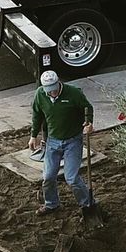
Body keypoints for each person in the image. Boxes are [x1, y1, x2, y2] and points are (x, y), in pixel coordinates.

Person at [29, 70, 94, 217]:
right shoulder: (40, 94)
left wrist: (89, 123)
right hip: (52, 141)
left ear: (58, 83)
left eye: (54, 88)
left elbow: (87, 108)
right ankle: (51, 204)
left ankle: (88, 204)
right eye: (48, 90)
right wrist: (33, 136)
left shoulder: (73, 93)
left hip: (73, 141)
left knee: (71, 178)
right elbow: (37, 115)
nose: (52, 93)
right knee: (48, 176)